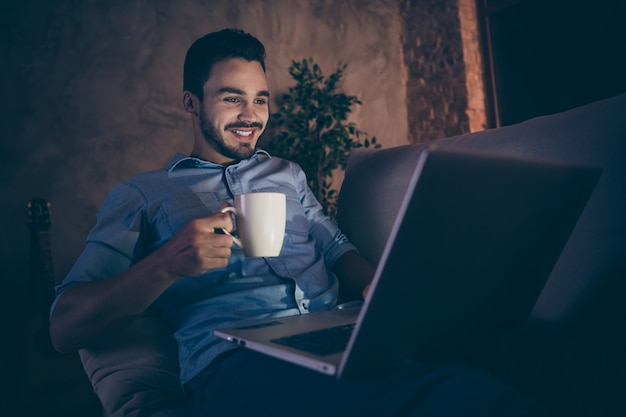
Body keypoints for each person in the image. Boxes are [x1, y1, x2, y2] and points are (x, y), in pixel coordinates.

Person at [50, 28, 548, 417]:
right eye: (231, 98)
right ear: (191, 103)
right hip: (235, 364)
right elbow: (65, 325)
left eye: (260, 98)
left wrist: (381, 288)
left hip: (339, 330)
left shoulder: (287, 175)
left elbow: (336, 249)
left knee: (516, 346)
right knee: (466, 401)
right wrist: (165, 264)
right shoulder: (143, 195)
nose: (251, 114)